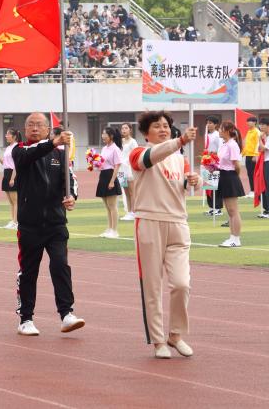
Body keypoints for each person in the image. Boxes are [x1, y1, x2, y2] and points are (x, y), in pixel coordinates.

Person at [129, 112, 200, 359]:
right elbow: (149, 159)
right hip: (149, 221)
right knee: (152, 285)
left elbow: (184, 185)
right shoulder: (138, 152)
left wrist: (194, 181)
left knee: (181, 284)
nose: (163, 129)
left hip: (178, 223)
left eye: (166, 126)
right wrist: (180, 142)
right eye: (157, 126)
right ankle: (158, 340)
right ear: (145, 133)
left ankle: (176, 334)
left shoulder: (180, 159)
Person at [12, 112, 85, 336]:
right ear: (25, 129)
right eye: (31, 125)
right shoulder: (20, 151)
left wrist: (71, 196)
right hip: (30, 225)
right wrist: (53, 142)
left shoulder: (60, 155)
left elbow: (70, 180)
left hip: (56, 223)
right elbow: (32, 154)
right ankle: (26, 319)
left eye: (40, 125)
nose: (35, 128)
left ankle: (66, 314)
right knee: (29, 272)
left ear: (47, 129)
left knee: (60, 265)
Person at [216, 121, 245, 248]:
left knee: (233, 210)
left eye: (221, 129)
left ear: (227, 131)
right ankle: (232, 237)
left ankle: (236, 238)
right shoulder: (224, 144)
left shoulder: (232, 145)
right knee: (229, 211)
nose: (219, 131)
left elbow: (237, 165)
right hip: (223, 176)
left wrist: (234, 178)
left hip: (230, 176)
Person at [96, 126, 124, 239]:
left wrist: (112, 181)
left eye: (105, 134)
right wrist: (94, 163)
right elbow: (102, 163)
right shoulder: (104, 148)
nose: (102, 136)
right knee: (107, 206)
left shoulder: (115, 149)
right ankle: (109, 229)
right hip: (103, 176)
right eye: (102, 134)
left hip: (111, 175)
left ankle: (114, 230)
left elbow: (117, 166)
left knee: (112, 206)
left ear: (111, 136)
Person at [202, 116, 223, 216]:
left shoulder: (218, 135)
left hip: (214, 161)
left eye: (210, 123)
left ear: (215, 125)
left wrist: (214, 156)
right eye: (207, 122)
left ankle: (218, 208)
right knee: (208, 185)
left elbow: (220, 148)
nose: (208, 125)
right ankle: (211, 207)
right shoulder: (206, 135)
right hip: (207, 160)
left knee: (215, 184)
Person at [2, 129, 21, 230]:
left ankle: (16, 221)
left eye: (8, 134)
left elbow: (16, 165)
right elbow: (6, 163)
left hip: (13, 173)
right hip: (6, 173)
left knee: (15, 200)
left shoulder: (17, 147)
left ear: (14, 136)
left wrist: (12, 178)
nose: (6, 136)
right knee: (10, 201)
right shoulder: (8, 147)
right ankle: (12, 220)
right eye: (6, 134)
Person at [119, 123, 139, 222]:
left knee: (132, 192)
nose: (124, 130)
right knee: (126, 192)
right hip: (121, 170)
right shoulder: (120, 141)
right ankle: (129, 212)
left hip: (129, 169)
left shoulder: (133, 142)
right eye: (122, 128)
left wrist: (128, 163)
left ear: (130, 130)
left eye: (126, 128)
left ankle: (134, 212)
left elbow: (136, 154)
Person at [242, 115, 260, 198]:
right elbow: (246, 144)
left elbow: (258, 144)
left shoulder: (257, 132)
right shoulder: (249, 132)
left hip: (253, 156)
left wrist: (255, 155)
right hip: (248, 155)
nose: (248, 123)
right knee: (249, 174)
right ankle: (252, 190)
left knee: (253, 174)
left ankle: (255, 190)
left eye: (250, 122)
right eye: (247, 122)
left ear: (255, 122)